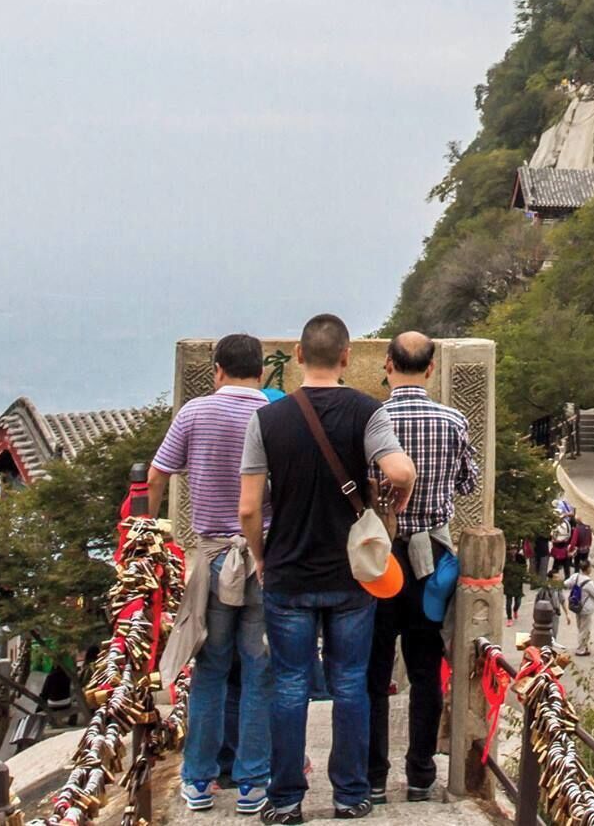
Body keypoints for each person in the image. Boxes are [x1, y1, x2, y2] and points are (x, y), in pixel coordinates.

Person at [240, 314, 416, 824]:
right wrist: (394, 509)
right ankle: (350, 794)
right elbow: (400, 470)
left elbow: (249, 508)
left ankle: (287, 799)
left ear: (297, 356)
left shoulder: (266, 420)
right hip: (350, 575)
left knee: (290, 684)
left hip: (288, 571)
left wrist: (259, 556)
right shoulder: (367, 411)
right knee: (351, 682)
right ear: (346, 358)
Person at [147, 333, 272, 815]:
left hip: (213, 557)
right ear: (262, 371)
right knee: (260, 671)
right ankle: (253, 782)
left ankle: (198, 779)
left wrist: (147, 536)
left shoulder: (194, 413)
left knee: (210, 668)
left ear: (217, 369)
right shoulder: (274, 415)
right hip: (265, 557)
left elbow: (157, 474)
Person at [365, 331, 479, 805]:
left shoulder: (372, 421)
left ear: (388, 363)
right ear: (431, 368)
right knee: (426, 668)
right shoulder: (452, 420)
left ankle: (371, 774)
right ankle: (420, 774)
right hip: (432, 558)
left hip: (379, 558)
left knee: (373, 670)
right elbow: (468, 484)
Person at [567, 560, 594, 656]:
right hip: (586, 608)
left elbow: (567, 583)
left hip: (576, 606)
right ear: (588, 569)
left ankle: (584, 645)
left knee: (580, 627)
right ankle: (581, 648)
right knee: (585, 629)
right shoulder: (589, 582)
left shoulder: (575, 577)